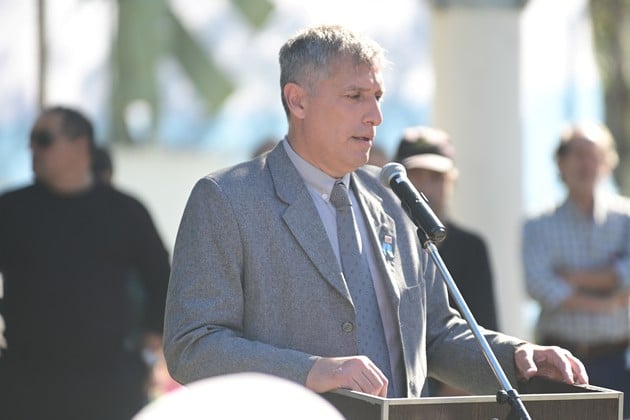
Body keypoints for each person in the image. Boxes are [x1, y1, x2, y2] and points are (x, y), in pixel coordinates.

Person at [164, 24, 587, 401]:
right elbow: (192, 346)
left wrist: (516, 358)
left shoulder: (393, 199)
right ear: (297, 101)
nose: (376, 116)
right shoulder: (227, 199)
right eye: (355, 96)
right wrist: (312, 371)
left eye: (378, 97)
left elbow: (434, 334)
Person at [0, 106, 171, 420]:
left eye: (44, 139)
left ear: (80, 145)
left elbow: (162, 280)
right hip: (25, 383)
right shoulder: (11, 210)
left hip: (108, 385)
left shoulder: (124, 211)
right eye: (31, 139)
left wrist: (150, 347)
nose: (32, 148)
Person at [523, 122, 630, 417]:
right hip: (557, 366)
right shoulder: (538, 224)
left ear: (608, 162)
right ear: (561, 163)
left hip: (618, 363)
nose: (587, 164)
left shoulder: (626, 219)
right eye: (579, 154)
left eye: (595, 155)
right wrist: (609, 299)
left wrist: (573, 277)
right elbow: (540, 286)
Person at [394, 125, 499, 396]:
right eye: (415, 176)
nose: (425, 188)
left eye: (436, 177)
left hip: (454, 401)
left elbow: (483, 336)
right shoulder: (378, 243)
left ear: (452, 181)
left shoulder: (472, 248)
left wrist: (438, 407)